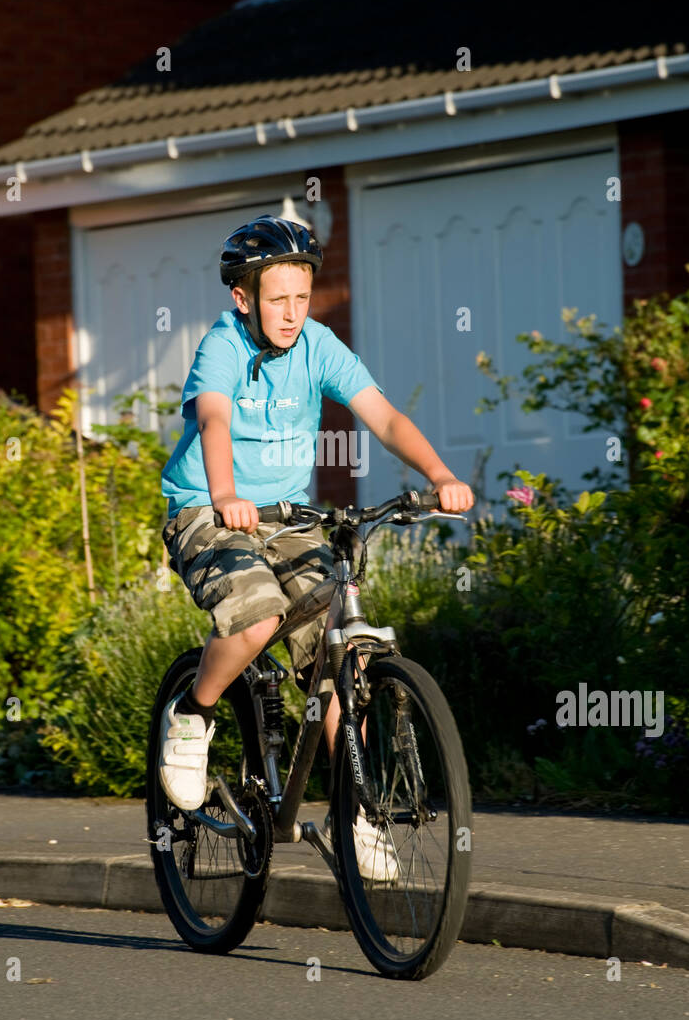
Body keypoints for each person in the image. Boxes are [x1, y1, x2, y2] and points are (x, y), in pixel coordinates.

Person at [159, 215, 474, 878]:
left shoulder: (318, 346)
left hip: (290, 519)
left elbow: (381, 414)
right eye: (277, 299)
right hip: (208, 513)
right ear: (243, 298)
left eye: (301, 298)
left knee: (337, 656)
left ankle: (355, 816)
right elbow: (214, 419)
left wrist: (438, 475)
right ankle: (192, 714)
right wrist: (225, 494)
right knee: (258, 616)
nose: (291, 313)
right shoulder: (220, 345)